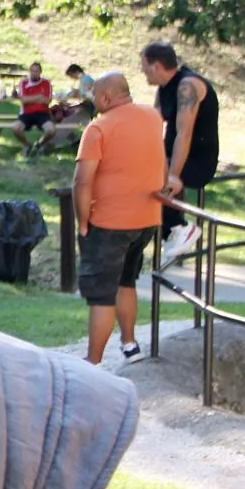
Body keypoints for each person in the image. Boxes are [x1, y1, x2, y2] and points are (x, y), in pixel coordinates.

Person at [73, 72, 165, 364]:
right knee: (126, 281)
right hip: (147, 218)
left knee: (101, 294)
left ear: (106, 97)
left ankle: (93, 361)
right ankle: (129, 343)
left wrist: (83, 221)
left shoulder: (98, 128)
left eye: (94, 95)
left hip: (109, 223)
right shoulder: (152, 117)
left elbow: (82, 181)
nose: (93, 100)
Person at [139, 40, 220, 269]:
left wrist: (172, 175)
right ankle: (164, 233)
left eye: (144, 66)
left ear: (155, 65)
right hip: (171, 153)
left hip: (196, 158)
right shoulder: (163, 88)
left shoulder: (188, 86)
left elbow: (184, 134)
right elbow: (154, 126)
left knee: (157, 177)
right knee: (140, 172)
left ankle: (180, 228)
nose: (142, 71)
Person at [12, 61, 56, 153]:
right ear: (29, 71)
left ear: (40, 72)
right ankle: (27, 145)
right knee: (16, 128)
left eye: (36, 71)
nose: (34, 73)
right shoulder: (23, 83)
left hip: (42, 113)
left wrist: (30, 99)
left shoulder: (46, 83)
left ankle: (40, 144)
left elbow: (47, 101)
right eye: (32, 71)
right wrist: (39, 97)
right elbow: (23, 101)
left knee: (51, 130)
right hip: (26, 113)